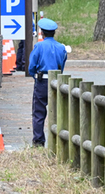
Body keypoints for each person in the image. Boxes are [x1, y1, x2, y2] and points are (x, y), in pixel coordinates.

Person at [28, 17, 69, 146]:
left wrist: (35, 76)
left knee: (39, 112)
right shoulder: (61, 47)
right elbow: (62, 65)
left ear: (42, 33)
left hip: (42, 82)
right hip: (57, 82)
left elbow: (31, 67)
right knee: (57, 111)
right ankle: (58, 139)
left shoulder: (39, 46)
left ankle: (39, 141)